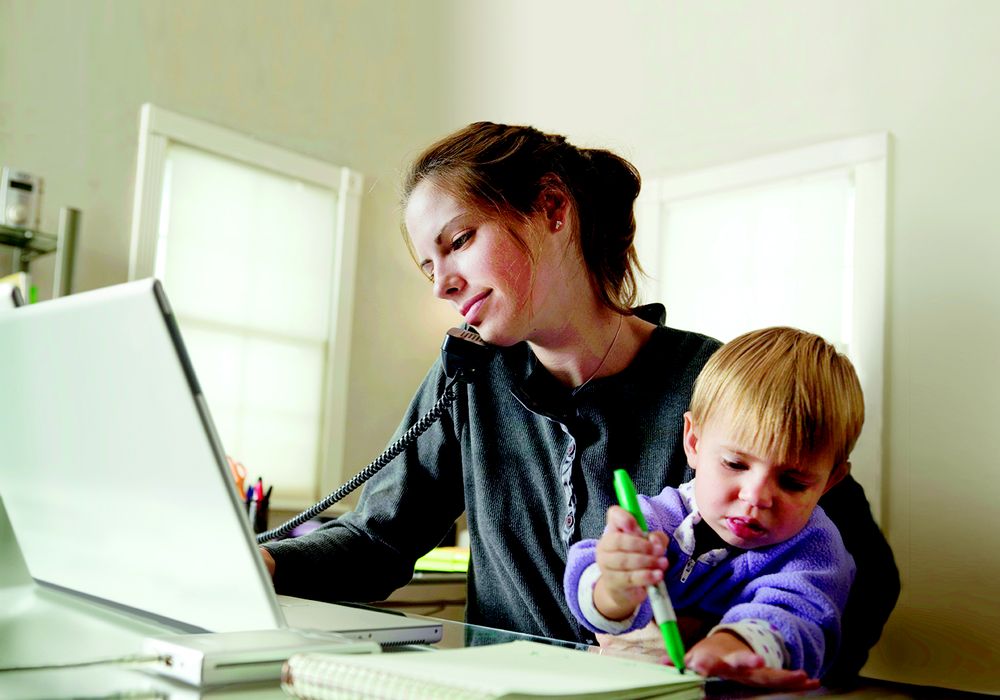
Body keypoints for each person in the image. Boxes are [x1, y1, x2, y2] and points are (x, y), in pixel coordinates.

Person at [259, 122, 898, 688]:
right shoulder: (466, 379)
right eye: (429, 266)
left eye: (459, 241)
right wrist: (264, 561)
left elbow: (860, 579)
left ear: (553, 207)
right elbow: (377, 540)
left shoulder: (719, 382)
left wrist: (719, 640)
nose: (442, 286)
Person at [565, 327, 862, 687]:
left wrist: (728, 648)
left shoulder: (814, 548)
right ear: (693, 441)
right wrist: (613, 588)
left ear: (830, 482)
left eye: (793, 483)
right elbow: (587, 581)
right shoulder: (656, 519)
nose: (756, 497)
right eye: (735, 464)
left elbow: (796, 617)